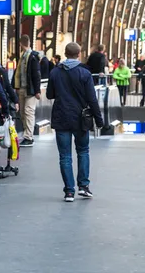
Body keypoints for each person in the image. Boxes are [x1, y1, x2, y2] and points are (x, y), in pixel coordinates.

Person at [47, 42, 103, 202]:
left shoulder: (55, 72)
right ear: (79, 54)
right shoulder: (84, 73)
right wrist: (99, 120)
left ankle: (69, 192)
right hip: (80, 119)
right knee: (83, 151)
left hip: (61, 117)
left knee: (65, 156)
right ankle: (83, 186)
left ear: (65, 53)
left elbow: (50, 94)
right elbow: (92, 99)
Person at [11, 35, 41, 147]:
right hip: (22, 89)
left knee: (28, 112)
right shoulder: (23, 56)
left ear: (20, 44)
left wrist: (37, 90)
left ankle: (29, 137)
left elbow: (36, 74)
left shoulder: (32, 57)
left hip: (30, 90)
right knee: (23, 113)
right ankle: (26, 134)